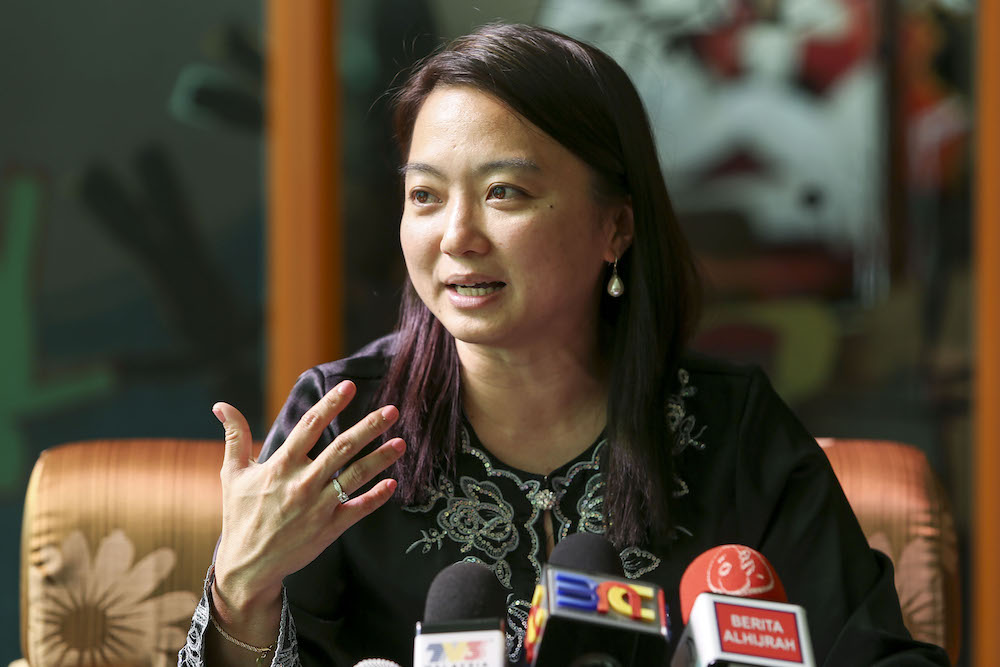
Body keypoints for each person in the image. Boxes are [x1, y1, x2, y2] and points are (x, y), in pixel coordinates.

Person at [179, 22, 950, 667]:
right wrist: (242, 587)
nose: (456, 236)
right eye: (425, 195)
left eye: (504, 192)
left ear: (615, 226)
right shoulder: (342, 425)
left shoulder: (735, 429)